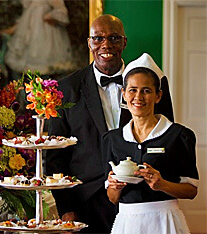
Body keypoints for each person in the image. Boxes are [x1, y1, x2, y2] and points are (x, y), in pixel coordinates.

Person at [45, 14, 174, 233]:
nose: (106, 44)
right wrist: (66, 207)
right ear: (89, 43)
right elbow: (56, 157)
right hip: (86, 200)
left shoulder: (151, 83)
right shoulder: (65, 89)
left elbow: (166, 138)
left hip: (139, 198)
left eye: (114, 38)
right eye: (98, 38)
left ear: (124, 42)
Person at [103, 53, 198, 233]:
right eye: (132, 90)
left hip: (165, 222)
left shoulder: (179, 136)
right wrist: (115, 187)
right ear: (123, 94)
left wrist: (162, 184)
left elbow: (191, 190)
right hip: (127, 223)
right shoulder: (112, 139)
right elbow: (112, 198)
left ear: (158, 96)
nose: (138, 97)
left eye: (146, 90)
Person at [3, 0, 75, 78]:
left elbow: (62, 10)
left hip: (45, 35)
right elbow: (25, 18)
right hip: (30, 35)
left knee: (44, 67)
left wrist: (50, 16)